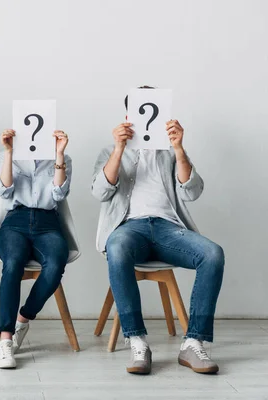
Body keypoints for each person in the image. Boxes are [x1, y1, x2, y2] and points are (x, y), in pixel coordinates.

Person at [91, 88, 225, 375]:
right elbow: (100, 192)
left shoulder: (170, 153)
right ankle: (137, 341)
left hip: (168, 229)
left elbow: (193, 192)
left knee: (213, 253)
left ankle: (193, 342)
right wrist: (118, 149)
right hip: (128, 228)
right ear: (129, 116)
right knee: (116, 247)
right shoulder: (110, 150)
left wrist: (178, 148)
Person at [0, 128, 71, 369]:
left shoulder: (63, 158)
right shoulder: (6, 155)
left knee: (56, 263)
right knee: (13, 263)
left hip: (48, 222)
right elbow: (4, 191)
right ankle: (5, 339)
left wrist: (59, 155)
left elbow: (59, 194)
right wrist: (9, 152)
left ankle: (23, 319)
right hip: (15, 221)